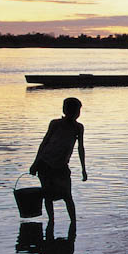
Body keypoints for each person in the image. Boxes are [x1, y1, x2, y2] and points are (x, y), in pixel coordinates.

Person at [30, 97, 87, 229]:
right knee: (48, 196)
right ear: (65, 110)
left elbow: (80, 148)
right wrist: (35, 163)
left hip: (61, 166)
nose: (76, 113)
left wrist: (83, 169)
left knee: (67, 196)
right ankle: (51, 222)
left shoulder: (78, 128)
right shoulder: (55, 124)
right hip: (45, 164)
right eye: (75, 110)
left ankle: (73, 224)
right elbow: (44, 143)